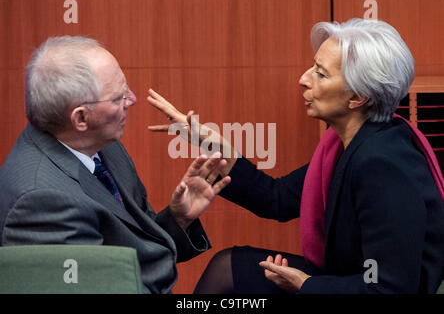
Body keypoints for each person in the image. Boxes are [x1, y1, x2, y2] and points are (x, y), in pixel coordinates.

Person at [146, 18, 444, 293]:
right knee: (229, 267)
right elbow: (276, 198)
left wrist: (308, 286)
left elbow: (389, 287)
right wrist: (207, 141)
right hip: (348, 280)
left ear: (357, 97)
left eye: (320, 73)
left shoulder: (382, 164)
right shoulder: (346, 145)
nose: (303, 79)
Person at [0, 36, 231, 294]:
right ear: (81, 118)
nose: (132, 99)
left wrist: (177, 219)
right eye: (118, 97)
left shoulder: (99, 144)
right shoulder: (40, 202)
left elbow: (132, 248)